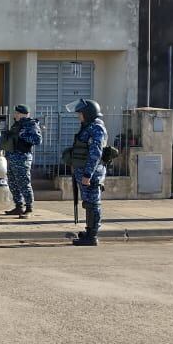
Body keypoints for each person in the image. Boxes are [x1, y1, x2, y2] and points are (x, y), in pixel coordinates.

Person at [68, 99, 108, 246]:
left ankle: (92, 236)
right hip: (83, 171)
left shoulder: (96, 128)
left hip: (91, 174)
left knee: (93, 203)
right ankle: (89, 230)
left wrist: (87, 175)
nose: (79, 116)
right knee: (88, 203)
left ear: (88, 114)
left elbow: (95, 154)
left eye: (81, 113)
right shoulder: (87, 127)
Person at [4, 105, 41, 218]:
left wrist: (22, 135)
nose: (14, 115)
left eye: (16, 113)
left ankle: (29, 207)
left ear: (22, 114)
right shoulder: (16, 125)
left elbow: (37, 140)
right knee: (13, 183)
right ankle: (18, 206)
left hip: (22, 158)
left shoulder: (31, 124)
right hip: (12, 158)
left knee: (24, 183)